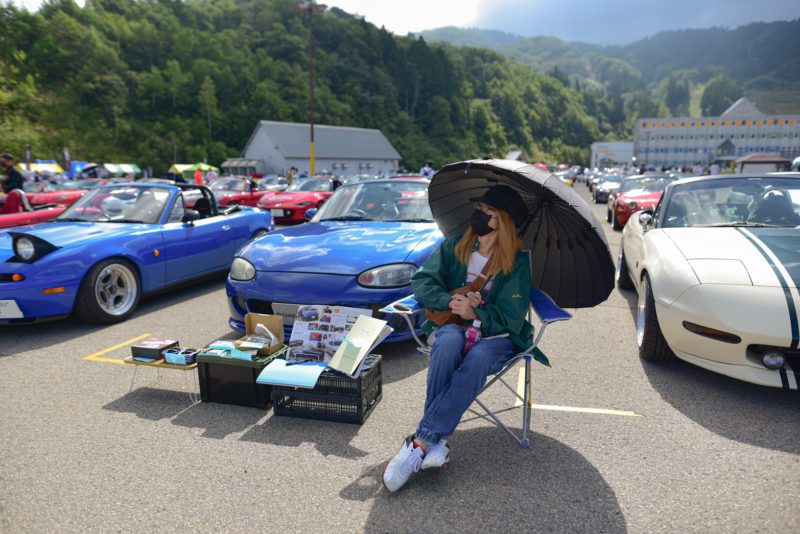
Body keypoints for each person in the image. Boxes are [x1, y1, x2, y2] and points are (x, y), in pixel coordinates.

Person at [383, 185, 533, 493]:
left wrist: (478, 314)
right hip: (451, 324)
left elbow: (513, 316)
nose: (479, 213)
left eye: (488, 211)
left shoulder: (516, 263)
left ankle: (421, 441)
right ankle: (436, 442)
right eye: (479, 207)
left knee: (478, 356)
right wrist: (451, 302)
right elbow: (422, 282)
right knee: (449, 341)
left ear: (503, 221)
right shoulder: (455, 246)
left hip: (496, 336)